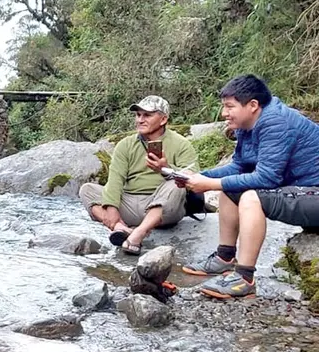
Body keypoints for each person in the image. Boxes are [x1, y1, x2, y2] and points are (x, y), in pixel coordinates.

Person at [181, 74, 319, 299]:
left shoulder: (276, 122)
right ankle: (224, 257)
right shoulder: (247, 124)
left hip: (314, 192)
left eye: (229, 106)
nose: (224, 113)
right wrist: (198, 177)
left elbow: (267, 178)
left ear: (253, 105)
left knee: (251, 197)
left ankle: (244, 278)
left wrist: (210, 184)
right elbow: (239, 167)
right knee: (231, 188)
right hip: (303, 192)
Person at [79, 95, 199, 255]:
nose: (140, 120)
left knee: (176, 183)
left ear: (163, 119)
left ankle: (139, 233)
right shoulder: (125, 145)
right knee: (87, 189)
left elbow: (193, 178)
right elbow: (115, 180)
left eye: (147, 115)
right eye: (138, 115)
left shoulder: (181, 143)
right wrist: (111, 208)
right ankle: (121, 229)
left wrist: (165, 169)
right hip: (130, 204)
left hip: (163, 207)